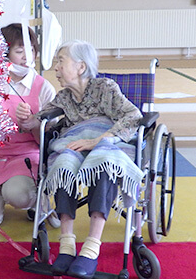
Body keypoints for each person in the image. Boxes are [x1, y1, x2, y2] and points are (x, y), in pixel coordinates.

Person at [16, 40, 144, 279]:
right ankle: (66, 244)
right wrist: (27, 119)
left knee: (103, 164)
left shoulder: (105, 88)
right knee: (64, 161)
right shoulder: (64, 97)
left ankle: (91, 247)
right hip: (76, 146)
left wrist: (97, 141)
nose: (56, 68)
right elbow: (38, 121)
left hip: (106, 143)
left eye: (60, 61)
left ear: (81, 67)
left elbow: (133, 116)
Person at [0, 23, 60, 230]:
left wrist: (32, 124)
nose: (28, 57)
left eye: (32, 50)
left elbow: (50, 137)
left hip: (24, 156)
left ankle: (34, 199)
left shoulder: (44, 88)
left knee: (19, 195)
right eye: (20, 51)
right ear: (4, 53)